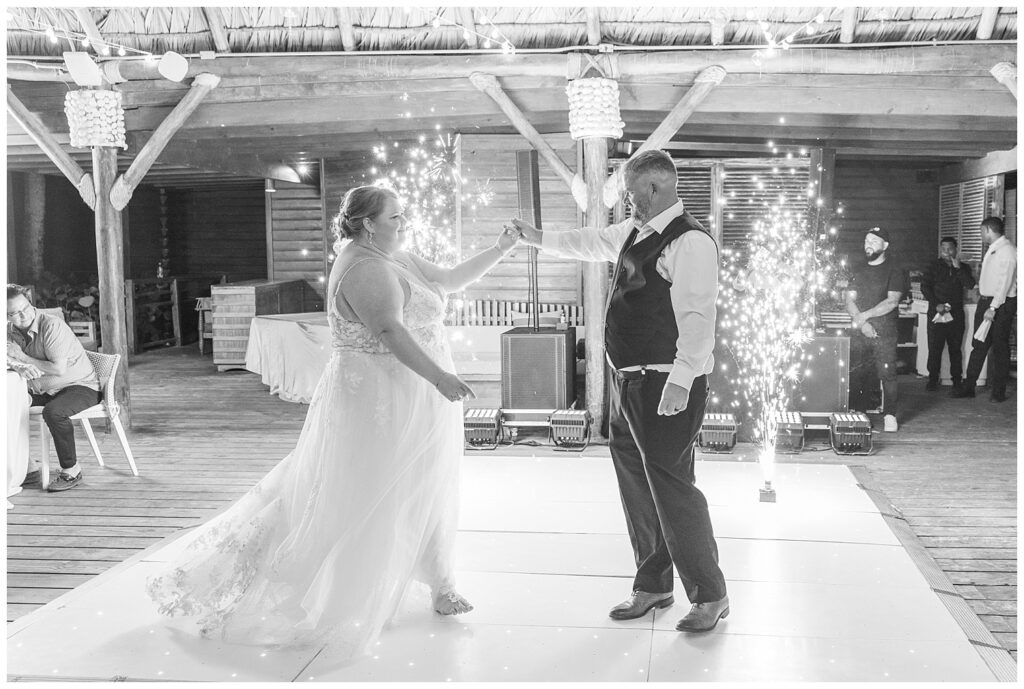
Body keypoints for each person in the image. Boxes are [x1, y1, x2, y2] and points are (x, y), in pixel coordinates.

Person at [146, 185, 520, 656]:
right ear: (368, 223)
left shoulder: (395, 254)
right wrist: (441, 377)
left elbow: (447, 279)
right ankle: (345, 590)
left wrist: (501, 248)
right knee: (369, 486)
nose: (405, 223)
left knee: (427, 480)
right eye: (397, 216)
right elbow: (389, 331)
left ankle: (439, 581)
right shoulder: (365, 267)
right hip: (384, 392)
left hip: (414, 389)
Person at [511, 149, 729, 633]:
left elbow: (699, 320)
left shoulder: (690, 242)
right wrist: (538, 238)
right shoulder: (635, 232)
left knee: (672, 488)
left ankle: (711, 594)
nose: (628, 203)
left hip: (664, 383)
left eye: (632, 195)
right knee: (637, 485)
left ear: (656, 188)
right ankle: (653, 583)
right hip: (626, 381)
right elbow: (589, 241)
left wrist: (680, 381)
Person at [7, 284, 100, 492]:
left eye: (26, 308)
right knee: (7, 403)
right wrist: (14, 362)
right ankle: (28, 469)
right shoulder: (9, 331)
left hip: (79, 386)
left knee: (54, 412)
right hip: (44, 390)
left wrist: (20, 357)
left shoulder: (51, 326)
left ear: (30, 303)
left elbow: (58, 369)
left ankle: (72, 470)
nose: (23, 315)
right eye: (14, 313)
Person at [845, 227, 909, 433]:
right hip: (861, 328)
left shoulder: (894, 269)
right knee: (858, 372)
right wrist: (862, 323)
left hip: (885, 328)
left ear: (885, 245)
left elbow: (891, 301)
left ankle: (890, 415)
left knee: (887, 372)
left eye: (873, 240)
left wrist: (865, 316)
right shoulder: (857, 269)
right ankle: (858, 412)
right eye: (866, 240)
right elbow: (848, 299)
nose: (868, 244)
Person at [953, 217, 1017, 402]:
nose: (981, 235)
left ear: (989, 229)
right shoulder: (995, 249)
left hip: (1000, 304)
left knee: (999, 348)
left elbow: (1004, 283)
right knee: (979, 344)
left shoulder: (1008, 252)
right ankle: (969, 387)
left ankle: (998, 392)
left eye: (982, 231)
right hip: (987, 301)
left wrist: (993, 307)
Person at [920, 237, 976, 390]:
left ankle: (957, 380)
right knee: (935, 347)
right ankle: (932, 379)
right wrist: (935, 303)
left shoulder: (963, 267)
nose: (946, 252)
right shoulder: (932, 266)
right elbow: (924, 287)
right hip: (936, 312)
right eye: (943, 249)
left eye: (949, 249)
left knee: (955, 348)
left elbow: (970, 284)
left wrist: (958, 269)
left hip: (956, 313)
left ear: (955, 249)